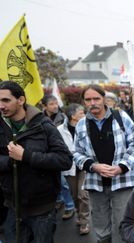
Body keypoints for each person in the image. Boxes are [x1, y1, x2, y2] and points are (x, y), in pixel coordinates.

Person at [0, 81, 72, 242]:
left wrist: (27, 156)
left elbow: (64, 160)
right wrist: (9, 162)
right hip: (12, 206)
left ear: (21, 100)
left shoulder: (44, 126)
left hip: (42, 208)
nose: (1, 106)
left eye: (6, 100)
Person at [74, 84, 134, 243]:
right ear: (84, 102)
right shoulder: (82, 124)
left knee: (123, 222)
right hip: (96, 183)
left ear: (104, 99)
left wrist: (121, 167)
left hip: (123, 181)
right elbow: (76, 153)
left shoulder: (121, 117)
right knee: (100, 225)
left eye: (96, 98)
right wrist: (93, 166)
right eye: (88, 99)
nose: (92, 103)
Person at [57, 103, 91, 235]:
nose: (84, 115)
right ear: (73, 116)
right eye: (81, 113)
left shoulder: (86, 126)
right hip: (69, 167)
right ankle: (78, 213)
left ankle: (84, 221)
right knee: (74, 195)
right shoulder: (60, 130)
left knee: (83, 195)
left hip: (84, 166)